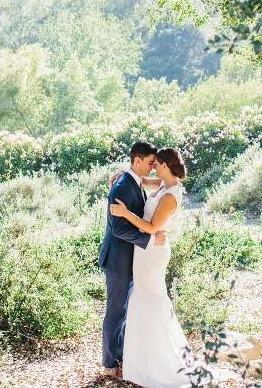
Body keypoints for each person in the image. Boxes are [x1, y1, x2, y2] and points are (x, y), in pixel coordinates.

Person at [109, 147, 190, 388]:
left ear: (165, 166)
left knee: (152, 301)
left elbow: (152, 228)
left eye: (156, 164)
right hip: (145, 253)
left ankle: (160, 363)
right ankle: (141, 362)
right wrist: (124, 173)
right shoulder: (164, 184)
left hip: (152, 253)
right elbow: (141, 179)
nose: (153, 167)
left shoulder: (169, 194)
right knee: (143, 300)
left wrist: (125, 213)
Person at [98, 141, 167, 379]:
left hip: (129, 260)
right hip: (118, 260)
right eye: (150, 163)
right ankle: (109, 365)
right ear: (137, 160)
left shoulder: (133, 182)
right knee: (116, 313)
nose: (152, 168)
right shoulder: (123, 186)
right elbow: (118, 228)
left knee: (125, 312)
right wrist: (149, 239)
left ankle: (121, 359)